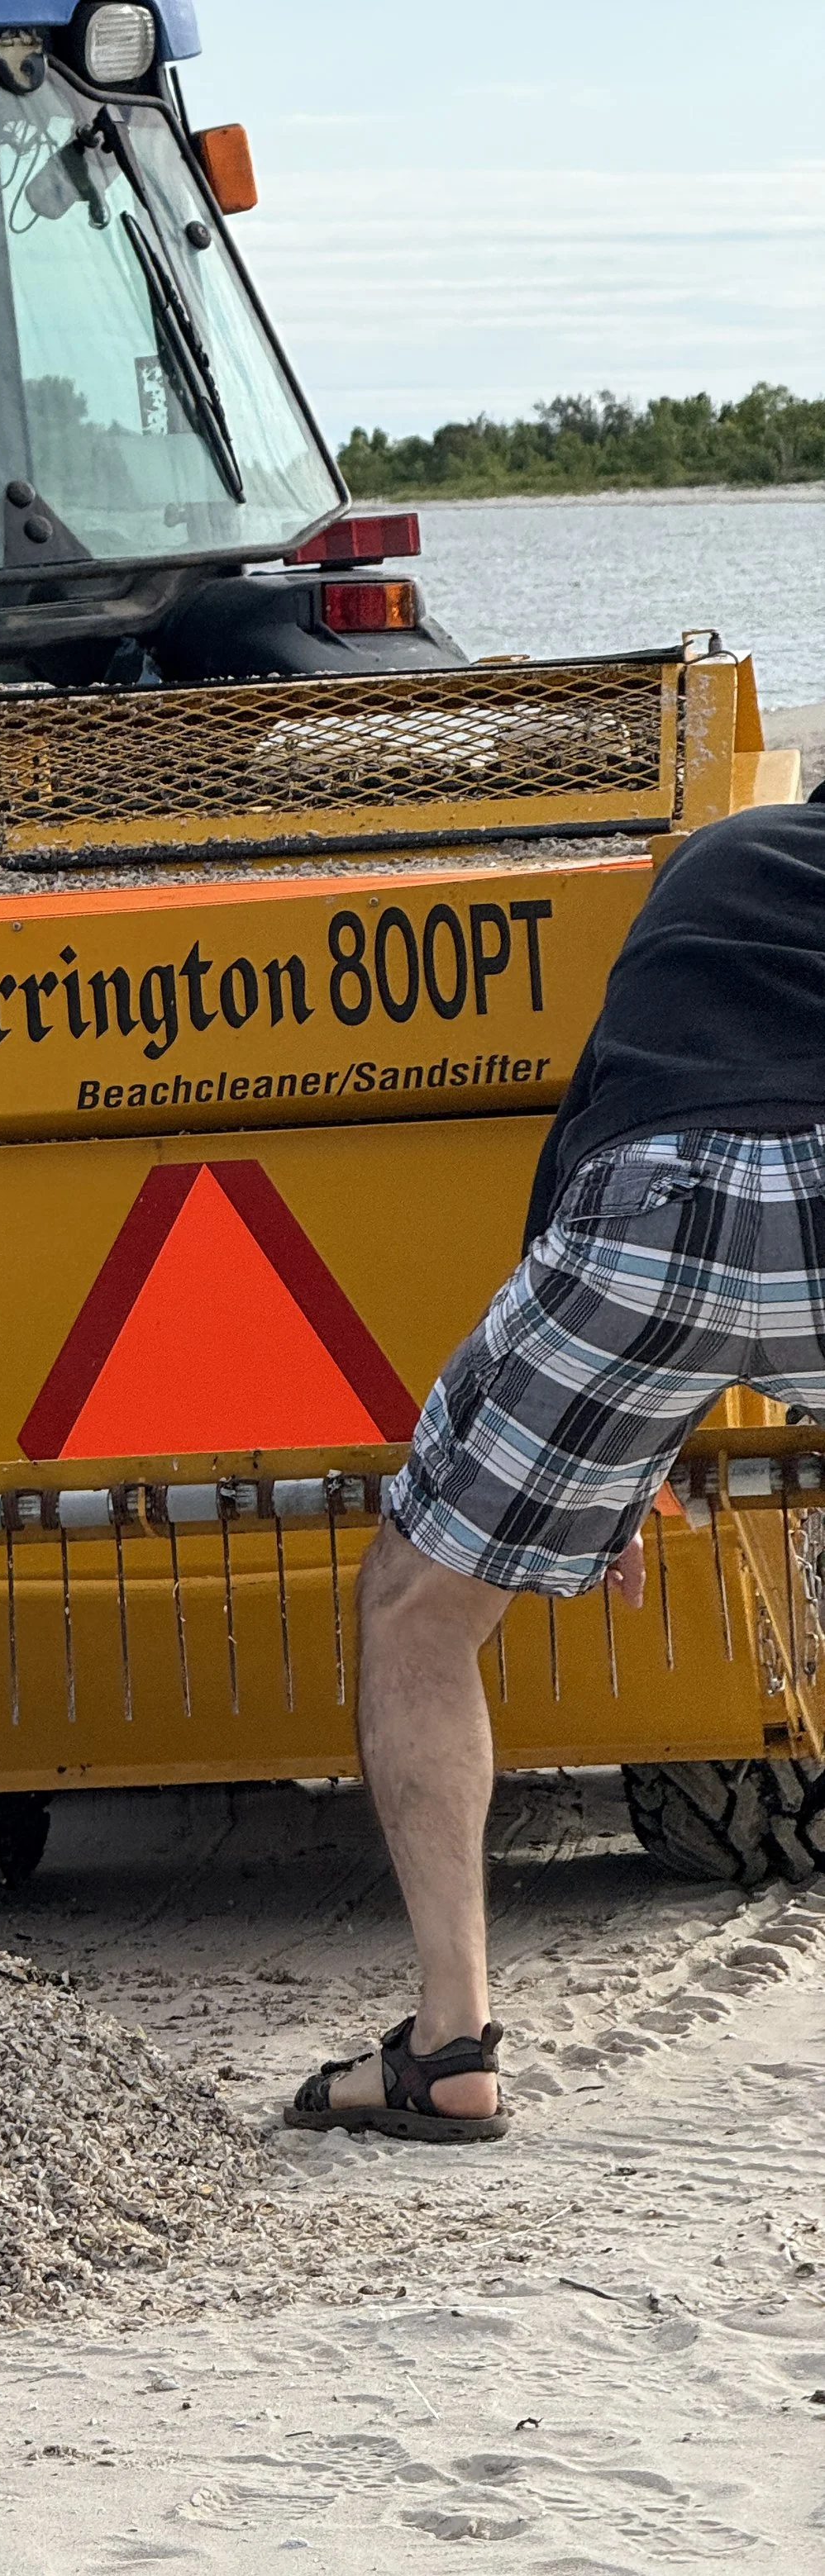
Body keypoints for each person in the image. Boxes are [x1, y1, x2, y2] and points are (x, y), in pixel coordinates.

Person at [286, 799, 825, 2142]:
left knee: (416, 1602)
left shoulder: (719, 854)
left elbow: (582, 1125)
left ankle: (448, 2047)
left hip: (645, 1201)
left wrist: (603, 1455)